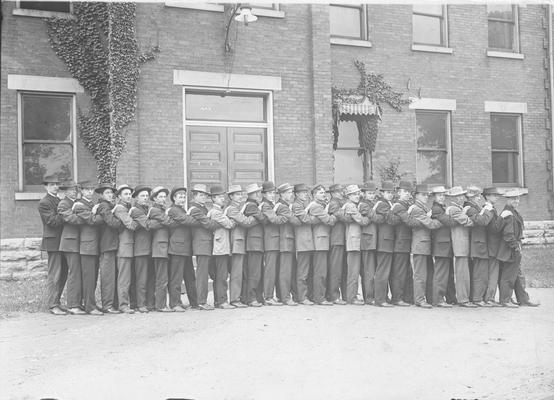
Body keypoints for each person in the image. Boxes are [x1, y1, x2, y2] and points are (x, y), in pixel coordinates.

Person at [497, 189, 539, 307]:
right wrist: (516, 247)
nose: (516, 201)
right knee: (508, 276)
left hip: (513, 248)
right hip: (509, 250)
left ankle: (523, 299)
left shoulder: (513, 212)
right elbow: (508, 235)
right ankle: (505, 300)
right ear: (508, 200)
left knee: (518, 275)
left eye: (517, 198)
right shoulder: (508, 214)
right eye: (513, 198)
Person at [38, 175, 68, 315]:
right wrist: (66, 213)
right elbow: (52, 221)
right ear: (46, 186)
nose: (56, 186)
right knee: (54, 274)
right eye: (52, 184)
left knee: (63, 273)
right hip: (53, 242)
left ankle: (57, 302)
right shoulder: (44, 202)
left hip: (63, 241)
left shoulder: (59, 200)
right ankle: (52, 305)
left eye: (57, 184)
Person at [408, 184, 442, 308]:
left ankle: (427, 298)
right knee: (420, 274)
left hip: (425, 245)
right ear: (416, 196)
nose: (426, 197)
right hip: (420, 245)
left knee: (428, 273)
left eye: (427, 195)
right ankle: (419, 299)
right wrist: (444, 218)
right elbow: (431, 224)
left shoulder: (423, 208)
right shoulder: (416, 208)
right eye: (423, 194)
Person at [74, 181, 104, 315]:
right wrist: (103, 213)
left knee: (93, 277)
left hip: (95, 245)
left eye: (92, 189)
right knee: (88, 277)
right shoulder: (79, 205)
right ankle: (89, 306)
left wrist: (96, 211)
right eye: (87, 190)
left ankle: (91, 303)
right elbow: (93, 220)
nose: (90, 192)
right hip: (87, 246)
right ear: (81, 191)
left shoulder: (92, 204)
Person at [188, 184, 220, 311]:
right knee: (202, 275)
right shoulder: (195, 209)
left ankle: (212, 300)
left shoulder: (204, 208)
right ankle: (201, 301)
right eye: (201, 195)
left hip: (208, 244)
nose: (204, 197)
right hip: (202, 245)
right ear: (194, 196)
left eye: (205, 195)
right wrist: (222, 220)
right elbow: (208, 224)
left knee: (211, 273)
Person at [225, 185, 256, 308]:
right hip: (236, 244)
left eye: (241, 194)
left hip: (241, 243)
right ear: (231, 196)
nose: (240, 196)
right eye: (237, 194)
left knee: (241, 273)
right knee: (236, 273)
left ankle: (241, 297)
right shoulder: (232, 209)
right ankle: (234, 299)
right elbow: (245, 222)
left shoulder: (238, 208)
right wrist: (258, 214)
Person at [166, 186, 197, 311]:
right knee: (176, 278)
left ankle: (195, 302)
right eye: (180, 196)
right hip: (177, 249)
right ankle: (175, 304)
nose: (183, 198)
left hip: (186, 249)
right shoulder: (173, 210)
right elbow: (187, 220)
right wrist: (199, 219)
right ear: (174, 198)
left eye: (184, 196)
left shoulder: (182, 210)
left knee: (190, 277)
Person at [445, 186, 476, 308]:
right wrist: (469, 211)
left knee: (464, 272)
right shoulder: (454, 209)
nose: (462, 198)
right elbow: (469, 221)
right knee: (462, 273)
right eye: (460, 196)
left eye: (462, 195)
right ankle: (463, 299)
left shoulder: (458, 208)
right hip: (460, 245)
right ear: (455, 198)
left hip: (463, 245)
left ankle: (464, 298)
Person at [306, 184, 336, 305]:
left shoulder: (320, 206)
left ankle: (316, 295)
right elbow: (329, 220)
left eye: (324, 192)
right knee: (320, 271)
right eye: (320, 193)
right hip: (320, 241)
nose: (323, 194)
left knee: (321, 270)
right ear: (314, 195)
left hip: (322, 240)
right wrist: (335, 214)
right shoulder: (316, 206)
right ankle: (319, 298)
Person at [57, 180, 84, 315]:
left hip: (78, 243)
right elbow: (72, 219)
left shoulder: (76, 203)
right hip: (70, 243)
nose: (74, 191)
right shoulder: (63, 203)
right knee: (74, 273)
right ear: (65, 191)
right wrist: (85, 217)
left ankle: (78, 302)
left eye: (76, 189)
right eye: (71, 189)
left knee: (78, 272)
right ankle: (73, 305)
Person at [95, 183, 123, 314]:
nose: (110, 195)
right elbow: (113, 223)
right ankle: (107, 305)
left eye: (111, 193)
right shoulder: (103, 206)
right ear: (101, 195)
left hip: (113, 245)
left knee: (114, 276)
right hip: (107, 246)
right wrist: (121, 220)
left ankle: (113, 304)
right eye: (107, 192)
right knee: (108, 277)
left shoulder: (111, 206)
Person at [464, 186, 494, 306]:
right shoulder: (469, 208)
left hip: (479, 243)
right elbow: (482, 221)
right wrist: (487, 210)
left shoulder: (475, 207)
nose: (478, 198)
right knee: (479, 273)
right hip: (477, 244)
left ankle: (477, 297)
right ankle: (477, 298)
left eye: (478, 196)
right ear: (470, 197)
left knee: (480, 272)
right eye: (475, 196)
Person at [208, 184, 236, 309]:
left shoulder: (219, 211)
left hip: (221, 247)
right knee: (221, 276)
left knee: (220, 275)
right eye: (219, 197)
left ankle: (218, 301)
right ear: (213, 199)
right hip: (220, 248)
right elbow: (230, 224)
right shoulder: (215, 212)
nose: (222, 199)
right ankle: (222, 301)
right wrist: (235, 219)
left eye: (222, 196)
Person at [112, 184, 138, 313]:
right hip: (124, 248)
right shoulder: (120, 208)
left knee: (131, 278)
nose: (128, 196)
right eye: (125, 194)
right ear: (119, 196)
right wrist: (143, 219)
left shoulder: (128, 208)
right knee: (124, 278)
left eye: (129, 194)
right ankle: (122, 304)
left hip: (131, 247)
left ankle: (130, 303)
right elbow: (131, 225)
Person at [260, 181, 287, 305]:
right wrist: (286, 216)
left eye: (273, 193)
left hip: (275, 241)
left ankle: (274, 296)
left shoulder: (271, 204)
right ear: (264, 194)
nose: (272, 195)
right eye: (269, 193)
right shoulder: (265, 205)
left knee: (275, 270)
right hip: (270, 241)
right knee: (270, 270)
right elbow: (274, 219)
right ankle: (268, 297)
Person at [129, 185, 155, 313]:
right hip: (140, 249)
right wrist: (166, 221)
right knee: (141, 278)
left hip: (150, 248)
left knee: (150, 277)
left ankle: (150, 303)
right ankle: (140, 304)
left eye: (146, 196)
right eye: (142, 196)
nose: (145, 198)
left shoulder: (148, 209)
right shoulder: (135, 210)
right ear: (136, 198)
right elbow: (148, 224)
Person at [342, 184, 369, 305]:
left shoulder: (354, 205)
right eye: (353, 194)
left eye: (358, 194)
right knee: (353, 272)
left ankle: (353, 296)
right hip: (353, 242)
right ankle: (351, 297)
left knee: (355, 271)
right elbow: (362, 221)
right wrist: (369, 216)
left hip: (357, 242)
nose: (357, 196)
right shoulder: (350, 206)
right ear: (348, 196)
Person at [389, 180, 415, 306]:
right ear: (399, 193)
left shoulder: (404, 205)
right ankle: (397, 298)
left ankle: (407, 297)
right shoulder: (399, 206)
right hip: (400, 243)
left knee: (407, 271)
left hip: (404, 243)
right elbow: (409, 221)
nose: (407, 194)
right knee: (399, 272)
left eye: (408, 192)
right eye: (404, 192)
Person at [274, 183, 300, 306]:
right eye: (288, 193)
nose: (291, 195)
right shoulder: (283, 207)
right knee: (285, 271)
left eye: (291, 192)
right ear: (282, 194)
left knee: (288, 270)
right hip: (286, 242)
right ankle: (285, 297)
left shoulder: (284, 206)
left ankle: (282, 296)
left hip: (287, 242)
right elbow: (295, 221)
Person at [292, 183, 317, 305]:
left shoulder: (305, 204)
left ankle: (308, 295)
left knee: (309, 271)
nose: (305, 194)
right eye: (303, 192)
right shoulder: (296, 205)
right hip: (303, 242)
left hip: (309, 241)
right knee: (303, 271)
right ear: (296, 194)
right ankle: (302, 297)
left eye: (306, 192)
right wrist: (318, 216)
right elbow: (306, 219)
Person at [430, 185, 455, 307]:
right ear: (434, 197)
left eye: (443, 195)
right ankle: (438, 299)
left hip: (445, 246)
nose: (442, 197)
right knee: (441, 274)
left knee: (447, 273)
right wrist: (455, 214)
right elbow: (450, 222)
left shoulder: (441, 208)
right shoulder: (436, 209)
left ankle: (449, 298)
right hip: (441, 247)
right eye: (439, 195)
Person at [149, 186, 172, 312]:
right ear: (155, 198)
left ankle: (157, 303)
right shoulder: (155, 210)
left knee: (162, 277)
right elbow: (168, 222)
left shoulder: (162, 210)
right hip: (159, 247)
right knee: (161, 278)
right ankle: (161, 305)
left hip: (163, 247)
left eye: (164, 196)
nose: (163, 199)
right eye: (160, 197)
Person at [243, 183, 266, 307]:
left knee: (256, 271)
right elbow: (264, 219)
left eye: (258, 192)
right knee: (254, 272)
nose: (258, 194)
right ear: (251, 195)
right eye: (256, 193)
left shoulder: (255, 205)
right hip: (254, 243)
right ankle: (251, 298)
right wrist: (261, 216)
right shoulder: (251, 206)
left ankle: (257, 297)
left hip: (257, 243)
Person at [373, 181, 396, 307]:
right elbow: (392, 219)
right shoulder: (382, 204)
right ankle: (380, 299)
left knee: (385, 271)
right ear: (382, 193)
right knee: (382, 271)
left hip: (386, 241)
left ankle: (383, 297)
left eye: (392, 192)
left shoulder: (387, 203)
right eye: (388, 192)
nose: (390, 194)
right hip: (384, 242)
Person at [481, 187, 504, 306]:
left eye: (497, 195)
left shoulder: (490, 208)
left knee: (492, 271)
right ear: (487, 197)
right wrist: (503, 220)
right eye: (494, 195)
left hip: (492, 245)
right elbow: (492, 228)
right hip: (492, 245)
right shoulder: (488, 209)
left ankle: (489, 297)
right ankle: (489, 298)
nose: (497, 197)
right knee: (492, 272)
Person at [327, 184, 348, 305]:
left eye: (342, 191)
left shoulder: (341, 202)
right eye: (339, 191)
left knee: (344, 268)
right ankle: (334, 295)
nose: (341, 193)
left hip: (342, 239)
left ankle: (344, 294)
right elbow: (344, 217)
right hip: (337, 239)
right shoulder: (334, 203)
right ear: (333, 193)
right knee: (336, 269)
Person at [358, 182, 378, 304]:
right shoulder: (364, 205)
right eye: (369, 193)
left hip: (374, 240)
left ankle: (373, 295)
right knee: (368, 271)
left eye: (372, 194)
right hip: (368, 241)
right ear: (364, 194)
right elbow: (374, 217)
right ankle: (369, 297)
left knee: (373, 270)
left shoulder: (373, 204)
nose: (371, 196)